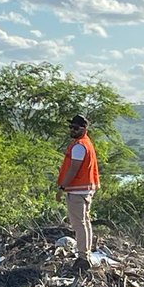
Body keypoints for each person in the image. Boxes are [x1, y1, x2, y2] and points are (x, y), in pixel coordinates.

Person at [56, 114, 100, 272]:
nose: (72, 130)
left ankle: (83, 257)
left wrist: (62, 188)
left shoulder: (79, 146)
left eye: (75, 128)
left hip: (77, 190)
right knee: (85, 222)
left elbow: (73, 169)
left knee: (79, 223)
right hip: (86, 189)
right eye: (71, 127)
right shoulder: (86, 144)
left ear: (84, 129)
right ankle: (85, 254)